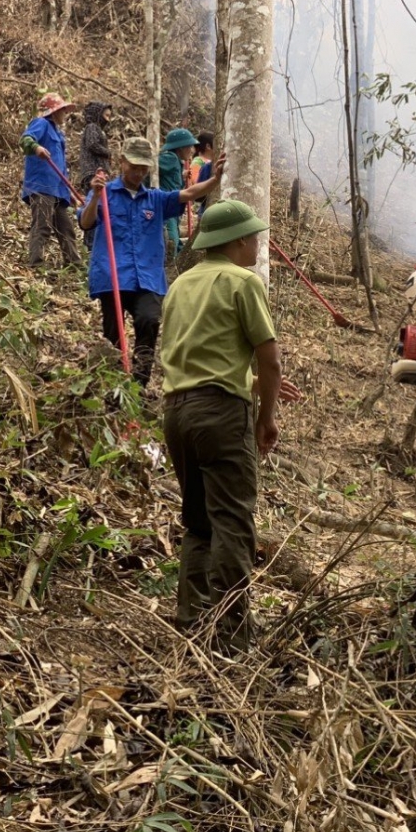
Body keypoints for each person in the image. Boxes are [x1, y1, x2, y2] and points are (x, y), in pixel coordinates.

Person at [160, 199, 301, 654]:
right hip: (222, 415)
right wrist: (266, 418)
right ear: (239, 241)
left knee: (198, 521)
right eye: (254, 237)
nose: (258, 244)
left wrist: (253, 382)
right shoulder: (243, 282)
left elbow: (197, 355)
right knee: (233, 522)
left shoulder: (180, 285)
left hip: (177, 413)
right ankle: (232, 636)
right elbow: (270, 358)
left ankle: (192, 620)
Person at [78, 137, 224, 387]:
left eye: (144, 168)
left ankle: (139, 383)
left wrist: (215, 181)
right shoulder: (104, 193)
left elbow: (188, 193)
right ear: (122, 162)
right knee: (113, 334)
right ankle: (114, 385)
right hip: (113, 275)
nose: (138, 173)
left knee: (148, 320)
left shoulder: (155, 199)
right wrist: (95, 198)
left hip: (148, 277)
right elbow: (86, 222)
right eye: (134, 167)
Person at [19, 92, 81, 268]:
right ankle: (36, 264)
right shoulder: (41, 124)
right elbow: (25, 139)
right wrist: (36, 147)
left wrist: (68, 191)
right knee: (42, 225)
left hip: (58, 189)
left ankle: (74, 264)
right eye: (62, 110)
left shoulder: (58, 134)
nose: (65, 114)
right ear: (53, 112)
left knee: (66, 228)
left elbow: (60, 166)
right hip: (42, 186)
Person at [78, 102, 113, 248]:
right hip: (93, 173)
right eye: (106, 116)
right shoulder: (92, 127)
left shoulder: (98, 129)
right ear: (98, 114)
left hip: (99, 173)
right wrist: (108, 152)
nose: (108, 120)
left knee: (100, 208)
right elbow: (92, 144)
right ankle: (91, 243)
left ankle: (95, 242)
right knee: (95, 206)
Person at [159, 128, 198, 255]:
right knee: (171, 241)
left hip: (174, 209)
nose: (192, 150)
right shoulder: (170, 158)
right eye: (189, 147)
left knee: (177, 244)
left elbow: (169, 178)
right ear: (181, 148)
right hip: (166, 207)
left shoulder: (176, 161)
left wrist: (181, 175)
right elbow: (150, 168)